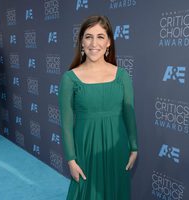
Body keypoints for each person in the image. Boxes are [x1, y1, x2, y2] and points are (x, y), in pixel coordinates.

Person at [58, 15, 138, 200]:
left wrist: (134, 147)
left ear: (109, 42)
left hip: (117, 148)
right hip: (85, 150)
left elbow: (129, 113)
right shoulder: (70, 79)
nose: (94, 43)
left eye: (100, 36)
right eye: (88, 36)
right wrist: (71, 159)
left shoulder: (122, 76)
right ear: (81, 42)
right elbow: (67, 125)